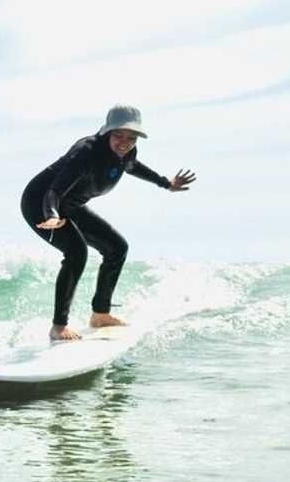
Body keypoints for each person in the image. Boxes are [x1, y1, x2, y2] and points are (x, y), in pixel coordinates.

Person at [21, 105, 196, 341]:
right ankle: (58, 327)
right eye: (118, 136)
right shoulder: (87, 151)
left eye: (131, 138)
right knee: (76, 253)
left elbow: (133, 167)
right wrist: (52, 215)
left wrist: (166, 183)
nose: (125, 142)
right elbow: (54, 190)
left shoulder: (127, 154)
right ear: (107, 132)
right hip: (41, 203)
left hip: (70, 206)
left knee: (117, 248)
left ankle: (100, 314)